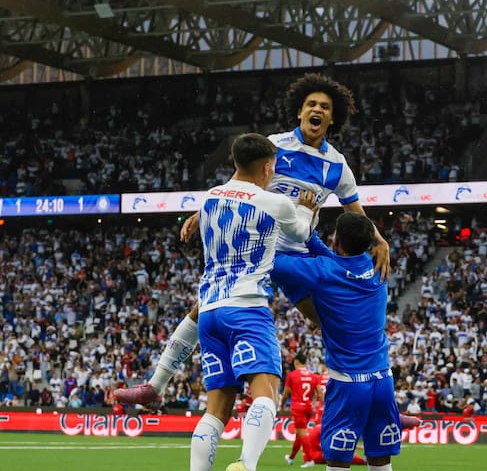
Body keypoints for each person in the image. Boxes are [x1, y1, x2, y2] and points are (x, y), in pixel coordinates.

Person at [114, 73, 390, 406]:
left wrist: (381, 240)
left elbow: (355, 211)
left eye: (325, 107)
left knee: (332, 321)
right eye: (311, 104)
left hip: (297, 255)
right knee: (203, 308)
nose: (317, 110)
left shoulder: (337, 166)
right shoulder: (275, 146)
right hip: (256, 249)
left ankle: (376, 396)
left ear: (333, 118)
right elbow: (238, 183)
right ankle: (155, 385)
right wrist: (201, 212)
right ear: (299, 111)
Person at [188, 133, 317, 471]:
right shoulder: (275, 202)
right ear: (268, 167)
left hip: (209, 310)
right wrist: (305, 210)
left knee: (215, 410)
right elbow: (301, 233)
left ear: (234, 162)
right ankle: (246, 464)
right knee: (266, 393)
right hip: (246, 307)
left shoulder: (209, 197)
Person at [271, 212, 401, 471]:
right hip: (382, 381)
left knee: (338, 461)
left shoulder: (322, 271)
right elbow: (337, 259)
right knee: (380, 458)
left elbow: (271, 261)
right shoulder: (377, 265)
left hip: (348, 384)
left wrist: (300, 219)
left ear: (336, 240)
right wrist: (309, 236)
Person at [281, 352, 320, 467]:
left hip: (298, 407)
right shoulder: (313, 376)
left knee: (302, 432)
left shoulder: (292, 375)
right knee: (299, 433)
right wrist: (324, 404)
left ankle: (310, 460)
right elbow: (319, 393)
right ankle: (291, 458)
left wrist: (282, 405)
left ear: (296, 362)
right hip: (308, 407)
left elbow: (286, 394)